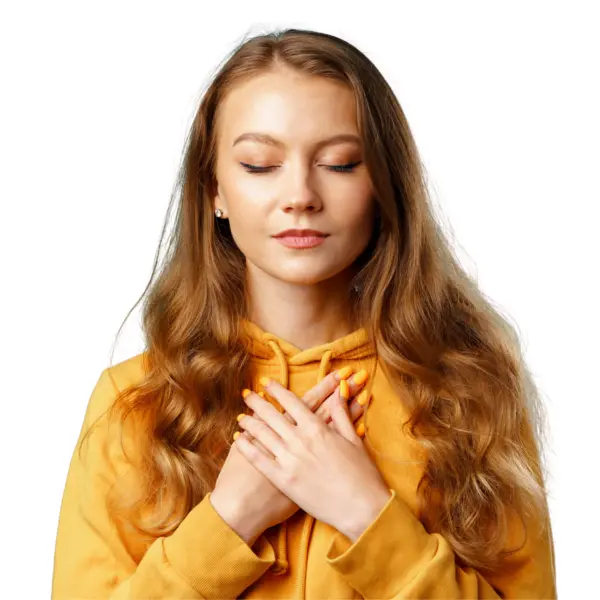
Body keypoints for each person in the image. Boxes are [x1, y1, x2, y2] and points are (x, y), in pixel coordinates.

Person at [51, 27, 557, 599]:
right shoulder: (135, 404)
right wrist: (230, 520)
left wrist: (366, 514)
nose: (300, 195)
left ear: (384, 184)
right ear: (213, 187)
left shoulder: (469, 394)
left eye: (340, 164)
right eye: (261, 165)